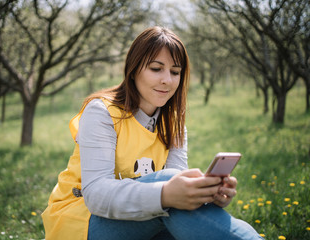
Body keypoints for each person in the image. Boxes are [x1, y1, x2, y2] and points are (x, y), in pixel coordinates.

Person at [42, 26, 263, 240]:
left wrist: (204, 195)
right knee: (171, 188)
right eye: (156, 69)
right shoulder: (101, 112)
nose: (167, 79)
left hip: (141, 218)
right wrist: (165, 194)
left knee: (182, 208)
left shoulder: (173, 123)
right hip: (81, 222)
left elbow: (178, 189)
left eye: (175, 72)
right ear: (134, 68)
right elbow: (96, 195)